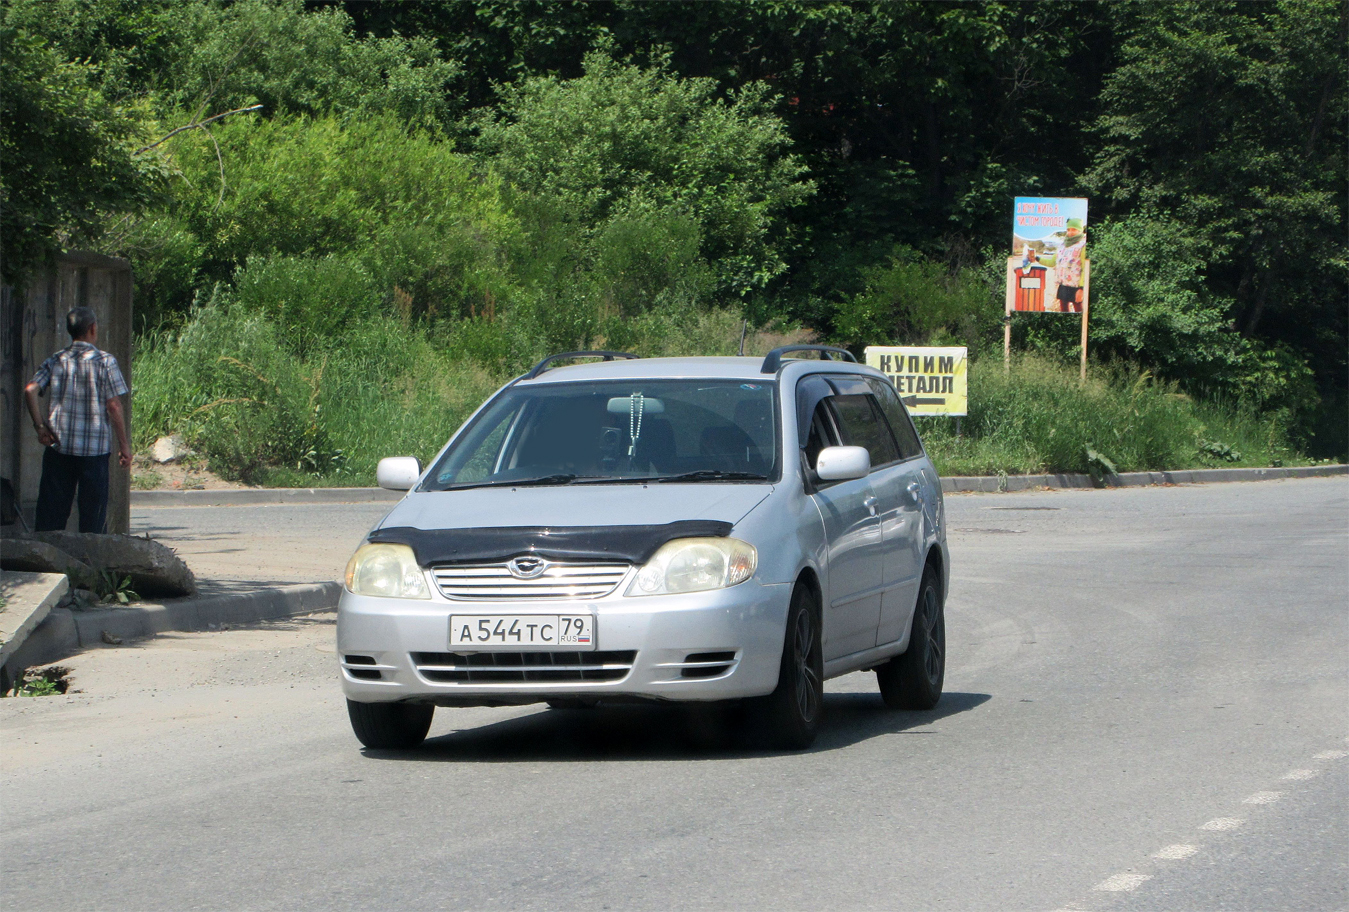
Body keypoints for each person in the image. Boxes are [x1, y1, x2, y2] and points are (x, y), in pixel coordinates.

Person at [24, 307, 132, 533]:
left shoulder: (56, 360)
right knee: (93, 519)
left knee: (51, 518)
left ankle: (47, 563)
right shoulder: (105, 361)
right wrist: (124, 445)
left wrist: (40, 426)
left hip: (59, 449)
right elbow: (113, 406)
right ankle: (90, 565)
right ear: (93, 329)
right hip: (95, 453)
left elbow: (30, 390)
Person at [1037, 217, 1087, 313]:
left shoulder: (1083, 245)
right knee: (1064, 312)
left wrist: (1081, 289)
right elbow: (1052, 262)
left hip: (1076, 286)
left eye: (1074, 229)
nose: (1070, 232)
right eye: (1068, 229)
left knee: (1079, 312)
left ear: (1080, 230)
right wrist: (1037, 258)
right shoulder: (1062, 245)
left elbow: (1085, 269)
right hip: (1063, 285)